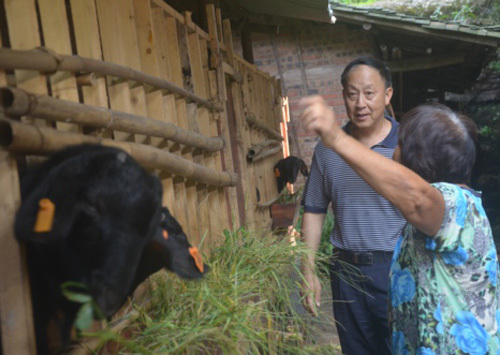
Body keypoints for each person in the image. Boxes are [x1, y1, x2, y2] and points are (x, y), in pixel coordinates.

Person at [300, 98, 500, 353]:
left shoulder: (456, 205)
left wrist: (337, 139)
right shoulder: (439, 213)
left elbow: (417, 198)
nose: (394, 150)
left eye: (400, 144)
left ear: (419, 157)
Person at [299, 57, 406, 354]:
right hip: (345, 271)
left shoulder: (407, 145)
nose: (360, 103)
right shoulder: (327, 150)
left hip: (397, 267)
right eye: (352, 94)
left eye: (370, 93)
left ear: (387, 95)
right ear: (343, 96)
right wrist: (307, 271)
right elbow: (314, 210)